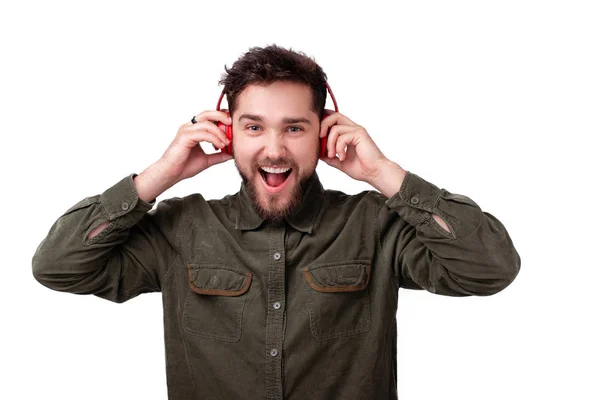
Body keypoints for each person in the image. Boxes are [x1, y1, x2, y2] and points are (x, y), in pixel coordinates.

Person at [32, 44, 521, 400]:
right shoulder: (181, 227)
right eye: (253, 127)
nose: (273, 149)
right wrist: (156, 178)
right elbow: (57, 266)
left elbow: (490, 267)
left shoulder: (374, 225)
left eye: (294, 127)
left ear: (324, 133)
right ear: (228, 133)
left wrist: (382, 173)